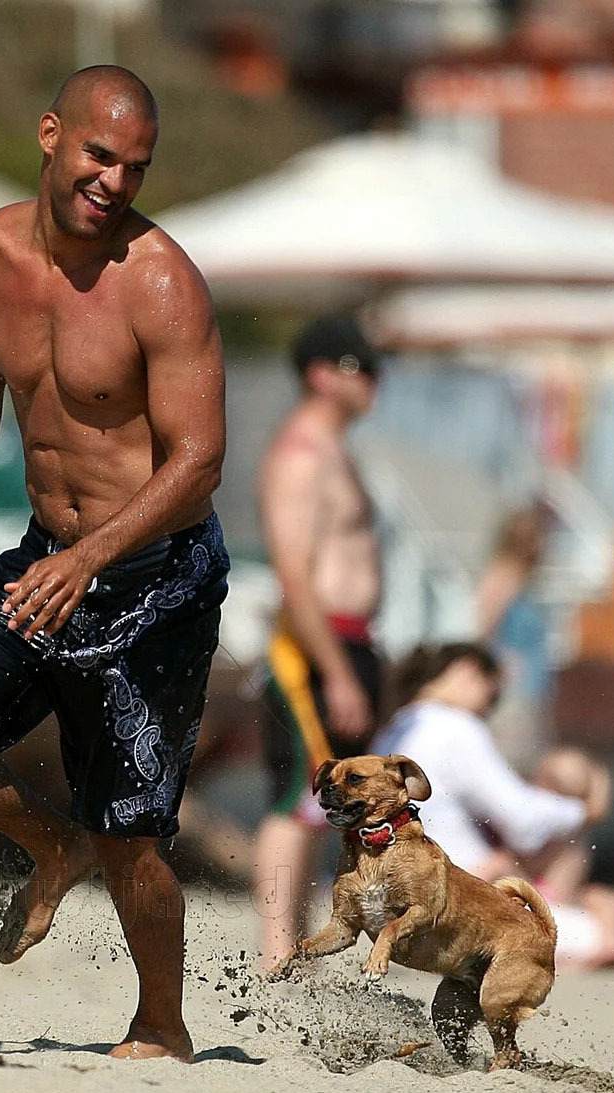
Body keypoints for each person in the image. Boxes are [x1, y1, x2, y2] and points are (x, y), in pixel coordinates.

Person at [0, 66, 230, 1063]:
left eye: (135, 167)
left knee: (130, 835)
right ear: (49, 136)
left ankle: (159, 1025)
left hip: (156, 576)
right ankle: (48, 842)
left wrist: (94, 556)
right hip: (47, 562)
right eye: (99, 155)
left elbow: (199, 462)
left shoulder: (158, 281)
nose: (115, 181)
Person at [372, 641, 614, 972]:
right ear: (468, 672)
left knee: (613, 910)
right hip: (462, 907)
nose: (488, 709)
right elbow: (522, 818)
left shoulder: (393, 733)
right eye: (491, 696)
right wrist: (587, 811)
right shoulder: (454, 727)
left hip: (409, 906)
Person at [252, 314, 384, 969]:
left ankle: (300, 948)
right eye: (362, 368)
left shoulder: (336, 452)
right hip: (313, 648)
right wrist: (336, 672)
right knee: (297, 798)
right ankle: (277, 953)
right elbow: (294, 576)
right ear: (321, 374)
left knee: (330, 804)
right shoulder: (300, 455)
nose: (376, 382)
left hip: (348, 642)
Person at [474, 501, 554, 775]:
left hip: (531, 689)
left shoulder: (525, 580)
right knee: (513, 767)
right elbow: (484, 629)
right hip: (513, 690)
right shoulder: (503, 576)